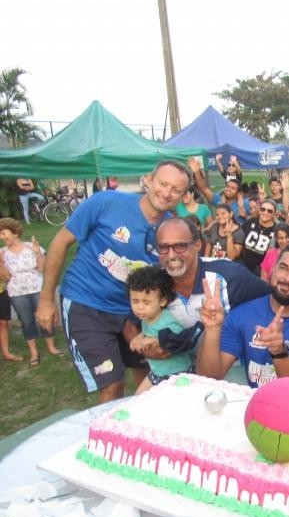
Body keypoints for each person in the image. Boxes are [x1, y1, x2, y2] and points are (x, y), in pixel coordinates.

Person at [35, 160, 191, 402]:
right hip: (86, 304)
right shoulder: (106, 202)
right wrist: (46, 299)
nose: (167, 193)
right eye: (163, 183)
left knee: (153, 374)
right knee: (112, 383)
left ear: (183, 196)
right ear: (149, 179)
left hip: (134, 312)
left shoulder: (170, 229)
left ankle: (145, 422)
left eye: (176, 190)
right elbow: (59, 243)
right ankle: (107, 426)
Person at [198, 244, 289, 388]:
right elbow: (210, 376)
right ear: (273, 269)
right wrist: (212, 330)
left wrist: (279, 351)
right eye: (283, 268)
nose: (288, 278)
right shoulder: (244, 313)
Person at [0, 218, 62, 365]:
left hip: (37, 288)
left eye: (3, 233)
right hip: (17, 292)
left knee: (44, 317)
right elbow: (6, 277)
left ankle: (51, 347)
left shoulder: (31, 247)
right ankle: (34, 352)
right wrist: (1, 263)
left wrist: (37, 253)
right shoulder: (2, 253)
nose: (1, 237)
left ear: (15, 233)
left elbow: (43, 269)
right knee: (26, 322)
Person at [126, 266, 193, 391]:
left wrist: (152, 341)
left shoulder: (168, 322)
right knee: (138, 400)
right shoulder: (146, 318)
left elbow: (177, 340)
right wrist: (139, 337)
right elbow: (147, 332)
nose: (140, 307)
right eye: (135, 301)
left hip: (177, 375)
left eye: (146, 302)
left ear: (162, 301)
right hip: (157, 373)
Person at [239, 199, 278, 273]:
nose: (265, 212)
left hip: (259, 271)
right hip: (242, 264)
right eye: (263, 209)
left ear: (274, 214)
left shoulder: (276, 230)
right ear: (259, 210)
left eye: (269, 211)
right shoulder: (251, 222)